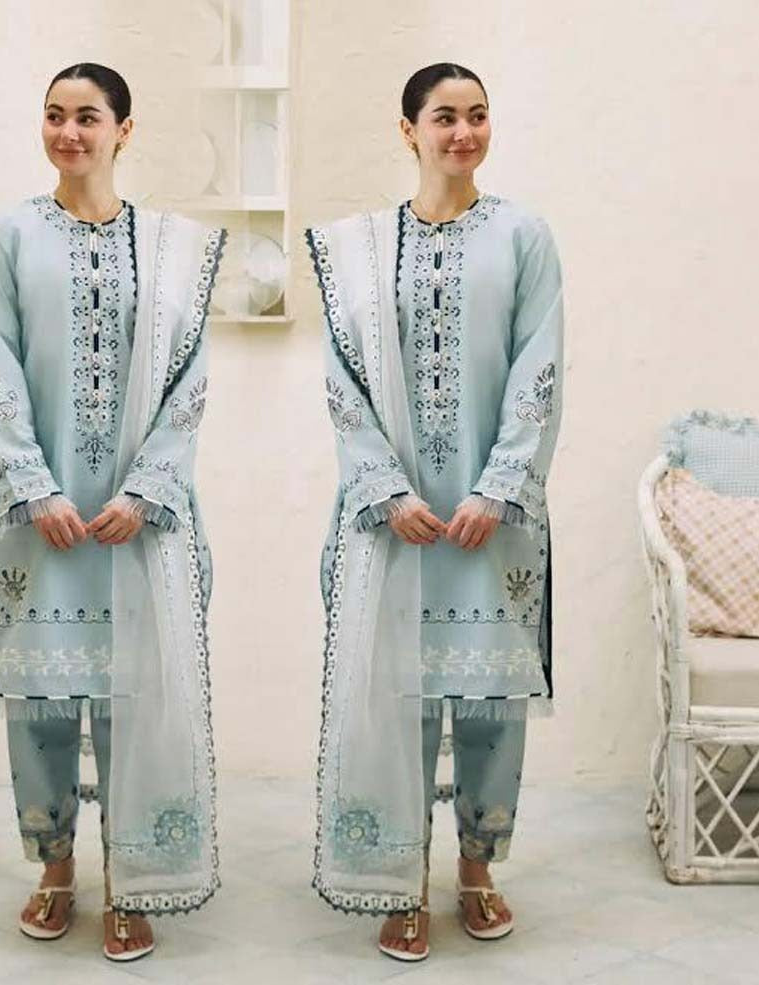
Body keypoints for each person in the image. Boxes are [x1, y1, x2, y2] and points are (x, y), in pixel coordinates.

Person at [305, 62, 564, 960]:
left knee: (490, 702)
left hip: (494, 520)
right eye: (444, 116)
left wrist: (499, 486)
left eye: (477, 115)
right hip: (395, 520)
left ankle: (477, 869)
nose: (462, 132)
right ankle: (400, 877)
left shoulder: (523, 235)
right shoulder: (359, 250)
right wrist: (384, 488)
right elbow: (341, 378)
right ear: (407, 128)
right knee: (397, 696)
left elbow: (539, 366)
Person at [0, 62, 227, 961]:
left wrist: (147, 488)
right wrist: (32, 486)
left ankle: (131, 876)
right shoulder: (8, 235)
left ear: (124, 129)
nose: (69, 132)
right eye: (54, 115)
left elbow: (190, 377)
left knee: (134, 697)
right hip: (37, 521)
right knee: (42, 702)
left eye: (87, 116)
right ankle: (54, 868)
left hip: (136, 520)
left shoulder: (171, 249)